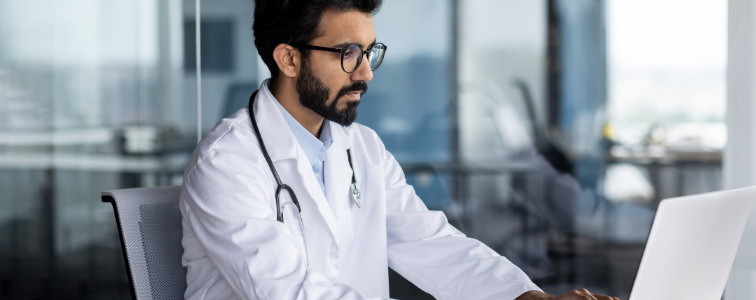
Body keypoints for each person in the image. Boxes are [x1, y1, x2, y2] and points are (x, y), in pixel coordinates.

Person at [179, 0, 619, 299]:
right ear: (289, 59)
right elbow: (292, 292)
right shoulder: (228, 163)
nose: (367, 73)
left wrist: (525, 297)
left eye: (370, 52)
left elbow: (430, 242)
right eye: (349, 54)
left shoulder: (361, 147)